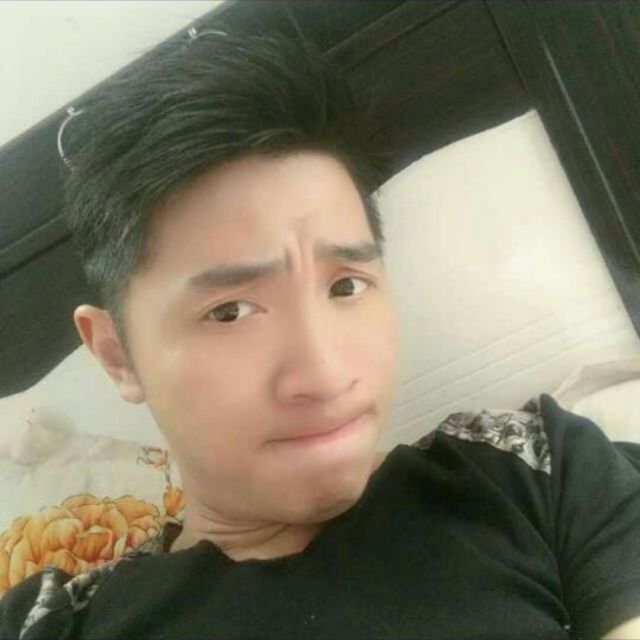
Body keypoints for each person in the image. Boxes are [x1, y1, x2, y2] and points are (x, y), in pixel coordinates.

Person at [1, 25, 639, 640]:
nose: (327, 376)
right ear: (118, 355)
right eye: (229, 311)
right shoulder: (51, 624)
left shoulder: (538, 471)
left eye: (345, 286)